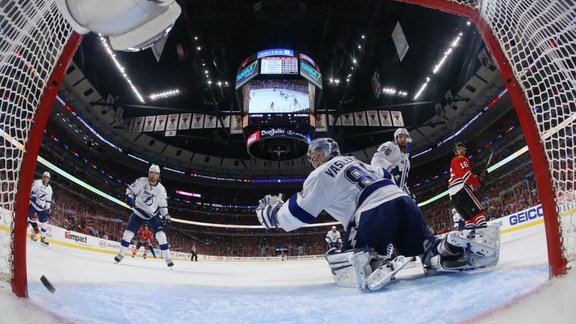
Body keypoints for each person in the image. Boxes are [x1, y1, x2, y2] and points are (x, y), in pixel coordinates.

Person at [256, 138, 499, 291]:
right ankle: (445, 251)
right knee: (427, 250)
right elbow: (386, 169)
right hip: (404, 203)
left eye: (317, 153)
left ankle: (374, 259)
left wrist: (271, 215)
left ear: (329, 151)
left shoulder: (321, 174)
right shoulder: (361, 163)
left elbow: (297, 215)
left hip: (372, 213)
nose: (313, 159)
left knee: (350, 259)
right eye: (312, 156)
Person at [114, 164, 174, 267]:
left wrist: (166, 218)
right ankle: (120, 255)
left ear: (158, 175)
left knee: (161, 236)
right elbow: (130, 190)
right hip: (138, 213)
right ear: (149, 173)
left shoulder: (161, 190)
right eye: (151, 173)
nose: (153, 175)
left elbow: (163, 206)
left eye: (156, 173)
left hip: (152, 215)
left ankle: (168, 259)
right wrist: (129, 197)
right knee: (128, 234)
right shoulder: (141, 181)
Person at [448, 142, 487, 229]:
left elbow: (467, 177)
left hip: (453, 195)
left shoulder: (454, 162)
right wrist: (479, 181)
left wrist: (477, 180)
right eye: (459, 149)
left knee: (469, 219)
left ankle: (471, 234)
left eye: (462, 149)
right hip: (461, 189)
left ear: (465, 150)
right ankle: (484, 231)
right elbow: (467, 177)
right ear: (456, 152)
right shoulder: (461, 159)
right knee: (478, 215)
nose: (461, 151)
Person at [371, 128, 413, 197]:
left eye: (405, 137)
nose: (403, 139)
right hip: (383, 187)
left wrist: (407, 192)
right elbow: (376, 159)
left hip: (397, 191)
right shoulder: (390, 145)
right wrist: (393, 171)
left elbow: (403, 180)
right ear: (396, 138)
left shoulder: (407, 161)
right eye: (400, 137)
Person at [28, 171, 53, 246]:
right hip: (33, 205)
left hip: (41, 208)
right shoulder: (37, 182)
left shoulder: (49, 189)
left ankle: (43, 239)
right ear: (42, 177)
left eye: (47, 178)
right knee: (28, 219)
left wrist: (48, 209)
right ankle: (19, 231)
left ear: (49, 179)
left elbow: (48, 200)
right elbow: (31, 191)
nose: (46, 179)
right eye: (45, 177)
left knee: (45, 224)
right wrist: (32, 197)